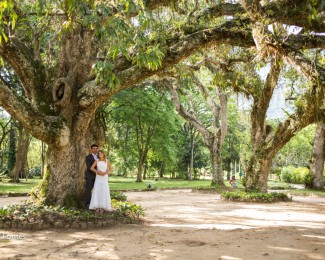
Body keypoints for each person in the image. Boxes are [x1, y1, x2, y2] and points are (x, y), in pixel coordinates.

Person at [84, 144, 99, 208]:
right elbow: (89, 167)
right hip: (90, 176)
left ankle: (96, 203)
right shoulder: (88, 157)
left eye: (96, 148)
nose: (95, 150)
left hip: (98, 177)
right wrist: (97, 173)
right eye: (94, 148)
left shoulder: (100, 157)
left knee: (97, 190)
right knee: (88, 190)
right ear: (91, 149)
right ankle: (88, 203)